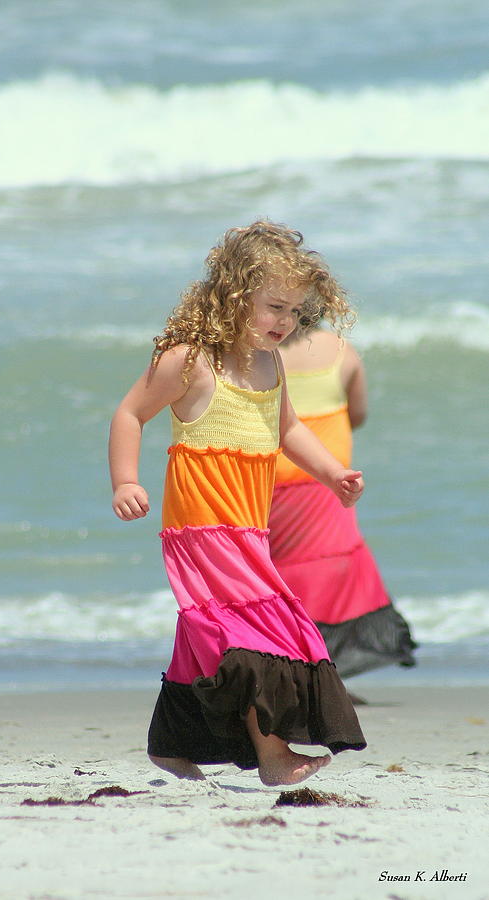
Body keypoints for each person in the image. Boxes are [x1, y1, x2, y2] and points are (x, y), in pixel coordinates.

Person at [108, 220, 366, 787]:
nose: (286, 322)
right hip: (202, 528)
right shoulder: (190, 361)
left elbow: (288, 429)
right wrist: (126, 481)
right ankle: (273, 756)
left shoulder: (270, 366)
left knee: (210, 635)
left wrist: (331, 473)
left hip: (249, 527)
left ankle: (172, 745)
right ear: (233, 294)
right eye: (275, 306)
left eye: (296, 311)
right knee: (259, 631)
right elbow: (130, 414)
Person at [268, 325, 417, 686]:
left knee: (276, 575)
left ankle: (288, 670)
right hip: (326, 479)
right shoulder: (340, 350)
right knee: (330, 573)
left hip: (269, 479)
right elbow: (358, 414)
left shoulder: (254, 353)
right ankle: (322, 673)